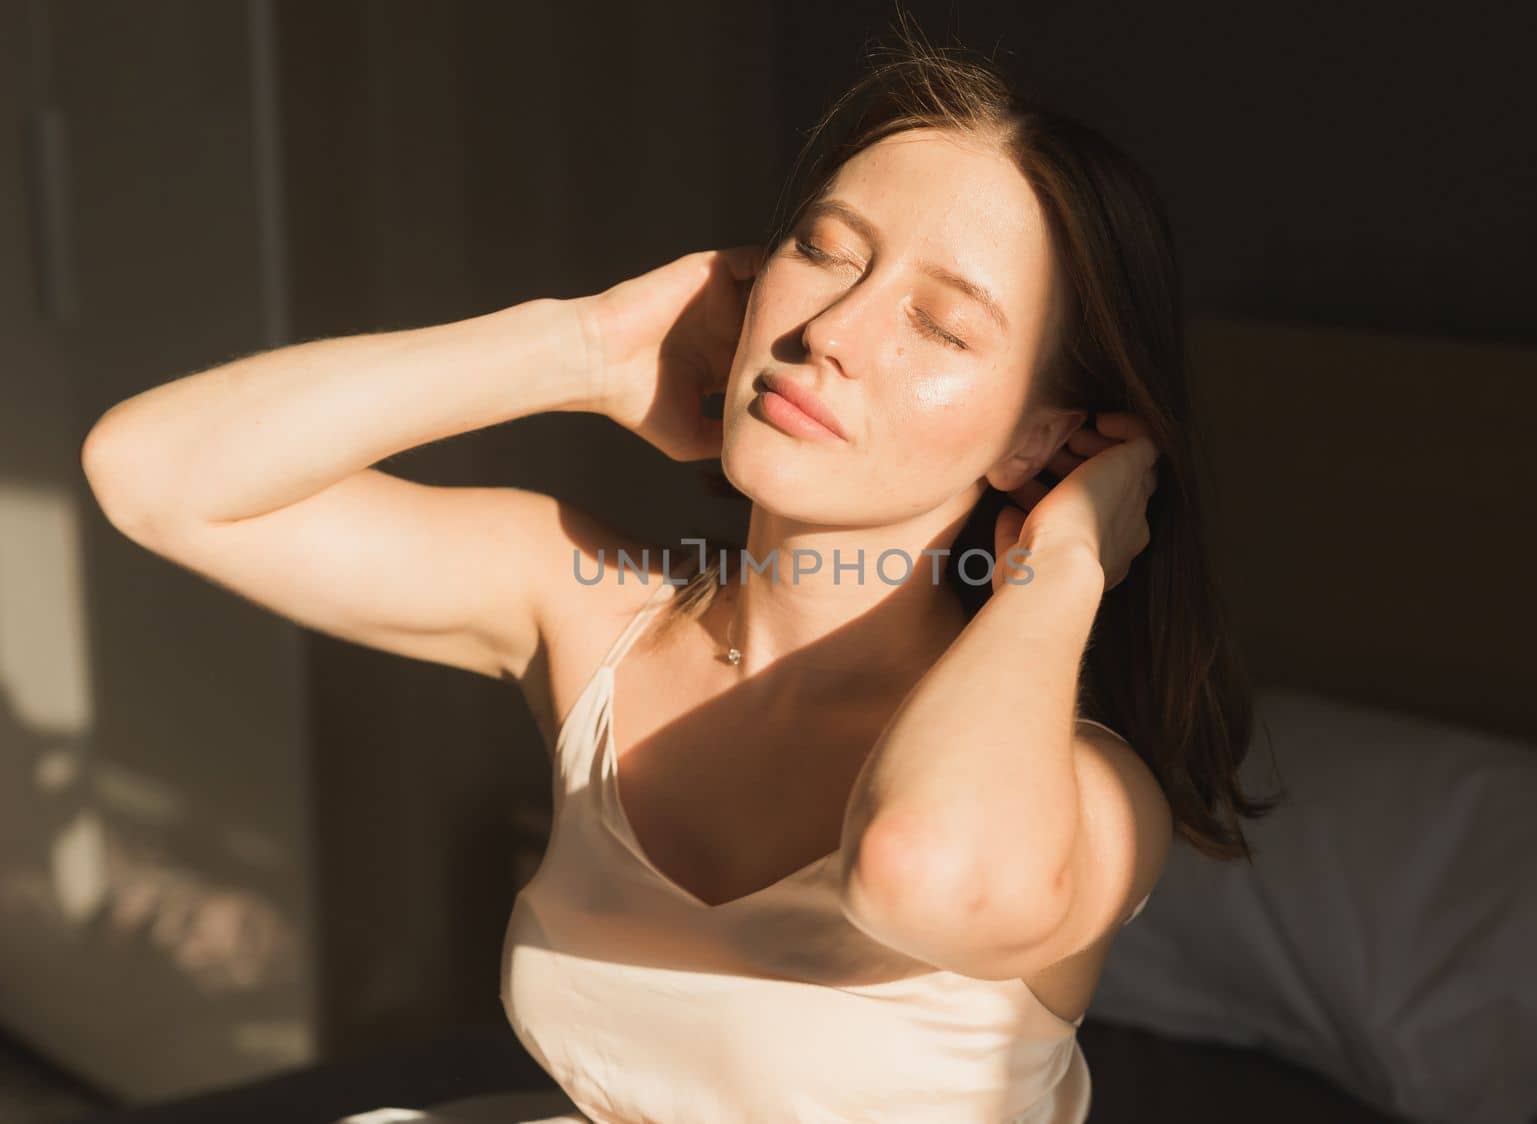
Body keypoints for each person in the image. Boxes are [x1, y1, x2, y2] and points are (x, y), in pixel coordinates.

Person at [82, 22, 1281, 1124]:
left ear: (1040, 438)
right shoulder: (584, 606)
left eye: (942, 323)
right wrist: (584, 345)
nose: (835, 331)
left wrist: (1064, 562)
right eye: (824, 251)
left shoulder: (1085, 792)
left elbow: (918, 868)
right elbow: (154, 473)